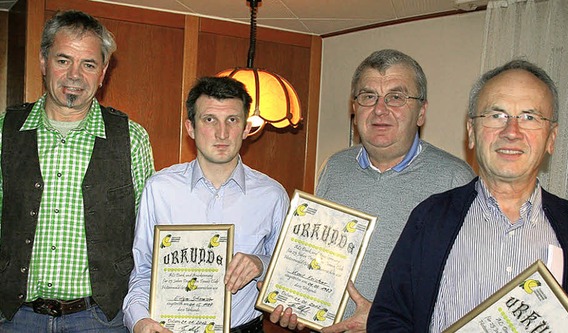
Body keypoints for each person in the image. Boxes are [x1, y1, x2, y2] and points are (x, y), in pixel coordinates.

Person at [368, 60, 568, 332]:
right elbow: (388, 317)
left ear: (551, 138)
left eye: (529, 117)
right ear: (471, 132)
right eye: (496, 115)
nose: (511, 132)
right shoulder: (430, 217)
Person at [270, 49, 475, 332]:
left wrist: (383, 322)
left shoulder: (455, 179)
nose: (380, 109)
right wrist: (292, 298)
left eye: (396, 97)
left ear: (421, 112)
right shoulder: (335, 167)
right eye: (368, 97)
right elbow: (317, 255)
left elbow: (464, 287)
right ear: (354, 108)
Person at [0, 10, 155, 332]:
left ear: (103, 72)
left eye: (88, 64)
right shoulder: (4, 131)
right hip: (15, 317)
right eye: (63, 60)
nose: (74, 75)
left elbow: (148, 235)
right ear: (43, 62)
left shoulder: (133, 138)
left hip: (101, 319)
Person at [123, 76, 289, 333]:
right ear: (190, 128)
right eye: (209, 119)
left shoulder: (272, 195)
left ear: (246, 128)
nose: (222, 133)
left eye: (232, 120)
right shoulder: (159, 189)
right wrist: (139, 321)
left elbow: (287, 274)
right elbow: (144, 271)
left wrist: (261, 264)